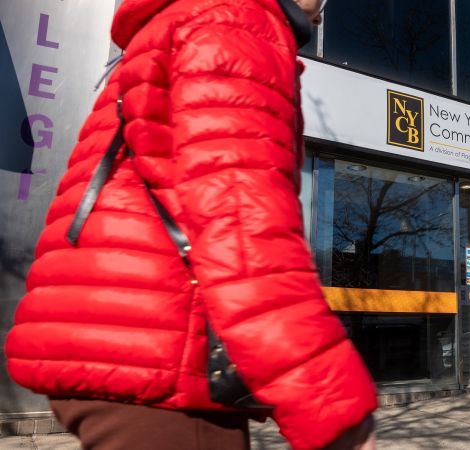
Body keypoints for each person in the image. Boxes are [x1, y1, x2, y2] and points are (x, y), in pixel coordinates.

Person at [4, 0, 378, 448]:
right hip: (160, 351)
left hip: (117, 335)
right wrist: (329, 406)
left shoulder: (190, 17)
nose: (324, 9)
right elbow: (242, 228)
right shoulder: (235, 21)